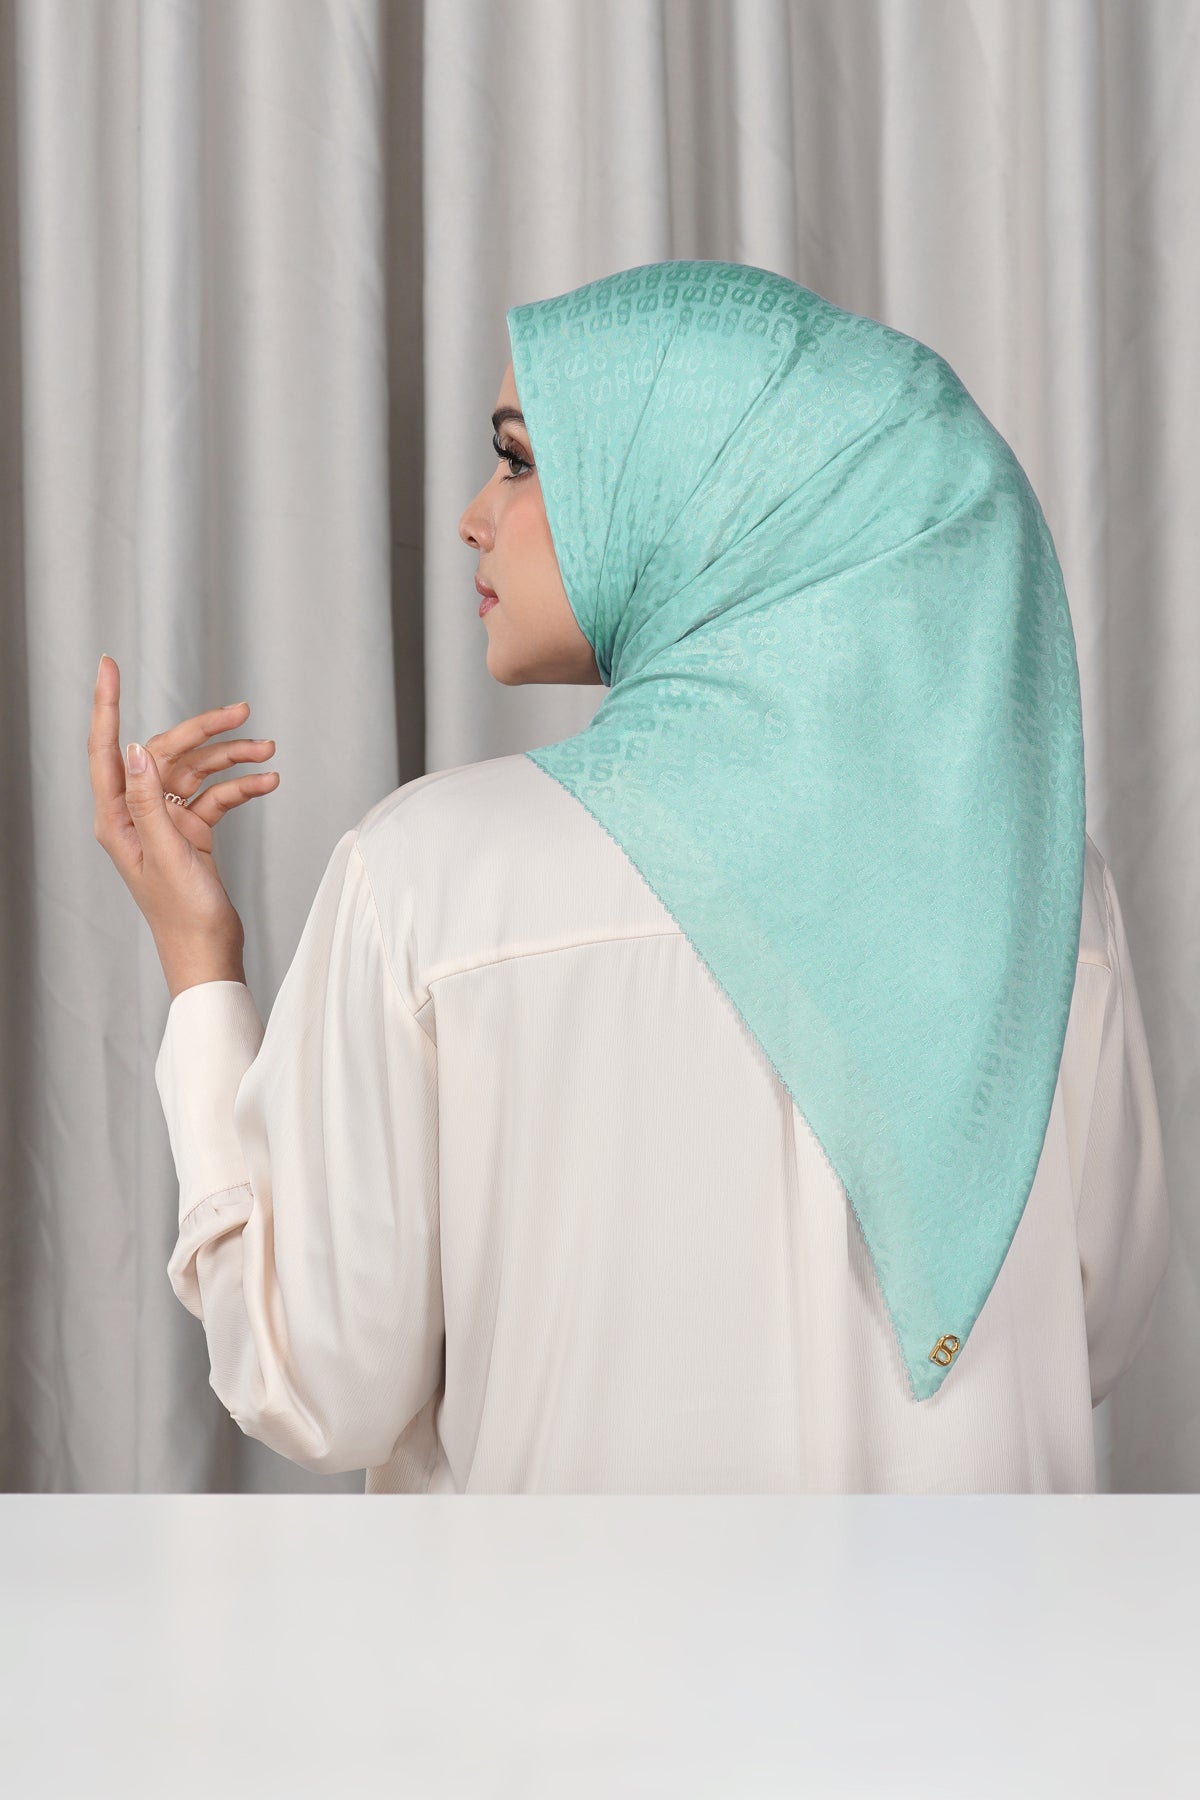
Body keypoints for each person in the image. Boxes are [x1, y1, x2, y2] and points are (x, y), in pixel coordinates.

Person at [91, 259, 1171, 1492]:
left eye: (518, 461)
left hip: (573, 1626)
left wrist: (199, 969)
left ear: (701, 493)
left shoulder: (430, 878)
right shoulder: (1046, 886)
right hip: (980, 1620)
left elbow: (319, 1385)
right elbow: (1089, 1322)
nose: (472, 517)